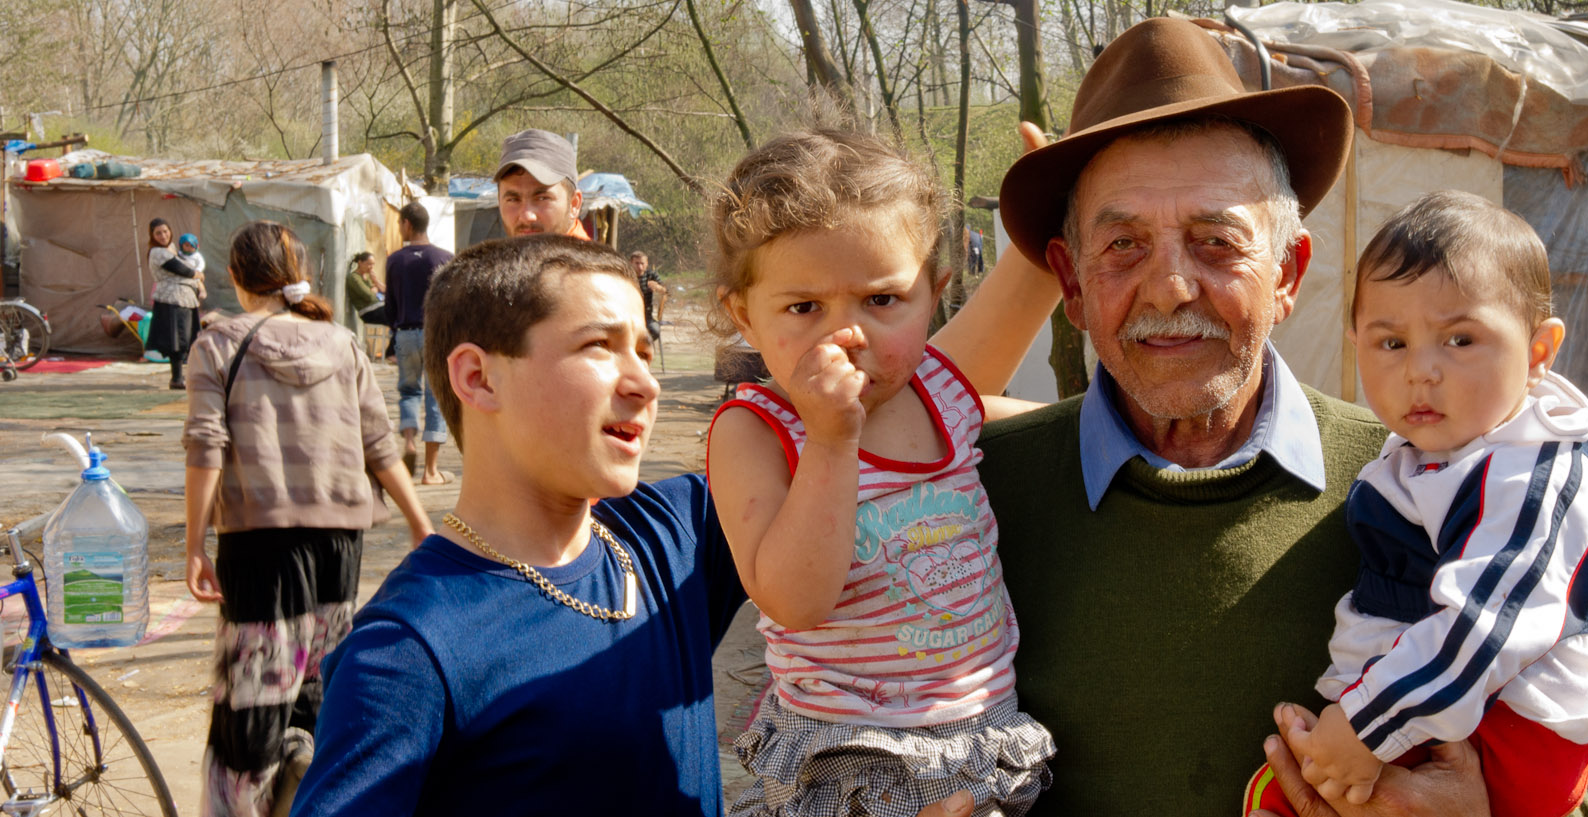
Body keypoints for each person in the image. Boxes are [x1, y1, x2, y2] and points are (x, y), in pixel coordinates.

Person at [979, 18, 1563, 817]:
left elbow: (1560, 773)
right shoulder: (976, 498)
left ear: (1289, 272)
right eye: (1122, 245)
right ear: (1071, 284)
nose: (1170, 288)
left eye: (1216, 240)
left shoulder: (1432, 491)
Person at [290, 235, 980, 817]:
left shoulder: (671, 534)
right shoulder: (406, 650)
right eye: (600, 345)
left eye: (645, 352)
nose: (645, 383)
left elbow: (915, 390)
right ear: (478, 377)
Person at [705, 129, 1061, 816]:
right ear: (744, 315)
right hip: (852, 763)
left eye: (881, 300)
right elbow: (794, 599)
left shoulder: (944, 392)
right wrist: (832, 442)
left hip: (983, 741)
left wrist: (1053, 182)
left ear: (934, 293)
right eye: (804, 308)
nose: (847, 334)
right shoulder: (756, 430)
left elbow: (1034, 306)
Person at [1253, 191, 1588, 817]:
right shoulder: (1423, 453)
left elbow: (1481, 628)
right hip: (1420, 706)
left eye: (1460, 339)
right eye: (1391, 343)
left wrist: (1362, 726)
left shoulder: (1536, 476)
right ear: (1355, 341)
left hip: (1509, 729)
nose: (1421, 370)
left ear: (1538, 351)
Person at [181, 221, 432, 817]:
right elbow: (379, 443)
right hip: (340, 542)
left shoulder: (217, 345)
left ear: (237, 278)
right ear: (298, 276)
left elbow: (205, 446)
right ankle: (311, 797)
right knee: (316, 684)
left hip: (259, 545)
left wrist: (195, 544)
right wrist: (420, 523)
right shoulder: (341, 342)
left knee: (252, 703)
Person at [386, 201, 454, 484]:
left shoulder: (394, 260)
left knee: (409, 392)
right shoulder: (444, 258)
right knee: (436, 397)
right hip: (434, 334)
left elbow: (390, 304)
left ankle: (410, 442)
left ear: (407, 225)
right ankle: (430, 471)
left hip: (405, 333)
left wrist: (392, 339)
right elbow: (451, 303)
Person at [495, 128, 592, 239]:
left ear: (574, 204)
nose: (527, 216)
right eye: (513, 200)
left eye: (542, 198)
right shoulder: (509, 255)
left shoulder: (588, 256)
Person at [145, 217, 200, 389]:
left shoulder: (171, 250)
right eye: (158, 233)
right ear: (152, 236)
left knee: (186, 339)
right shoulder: (157, 252)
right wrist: (197, 275)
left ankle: (183, 377)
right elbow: (183, 270)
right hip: (172, 300)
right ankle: (177, 378)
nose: (163, 236)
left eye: (165, 231)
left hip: (185, 300)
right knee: (177, 341)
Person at [630, 250, 668, 346]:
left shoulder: (651, 275)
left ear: (647, 264)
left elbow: (665, 291)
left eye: (642, 263)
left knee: (655, 330)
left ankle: (641, 347)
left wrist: (657, 287)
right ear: (631, 263)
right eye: (637, 263)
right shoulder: (627, 275)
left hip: (646, 315)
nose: (640, 267)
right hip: (629, 313)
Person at [178, 232, 210, 301]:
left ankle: (202, 291)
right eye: (186, 245)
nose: (189, 248)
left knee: (198, 281)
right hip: (183, 273)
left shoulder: (196, 255)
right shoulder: (179, 254)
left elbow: (201, 263)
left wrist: (198, 270)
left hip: (194, 273)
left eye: (191, 246)